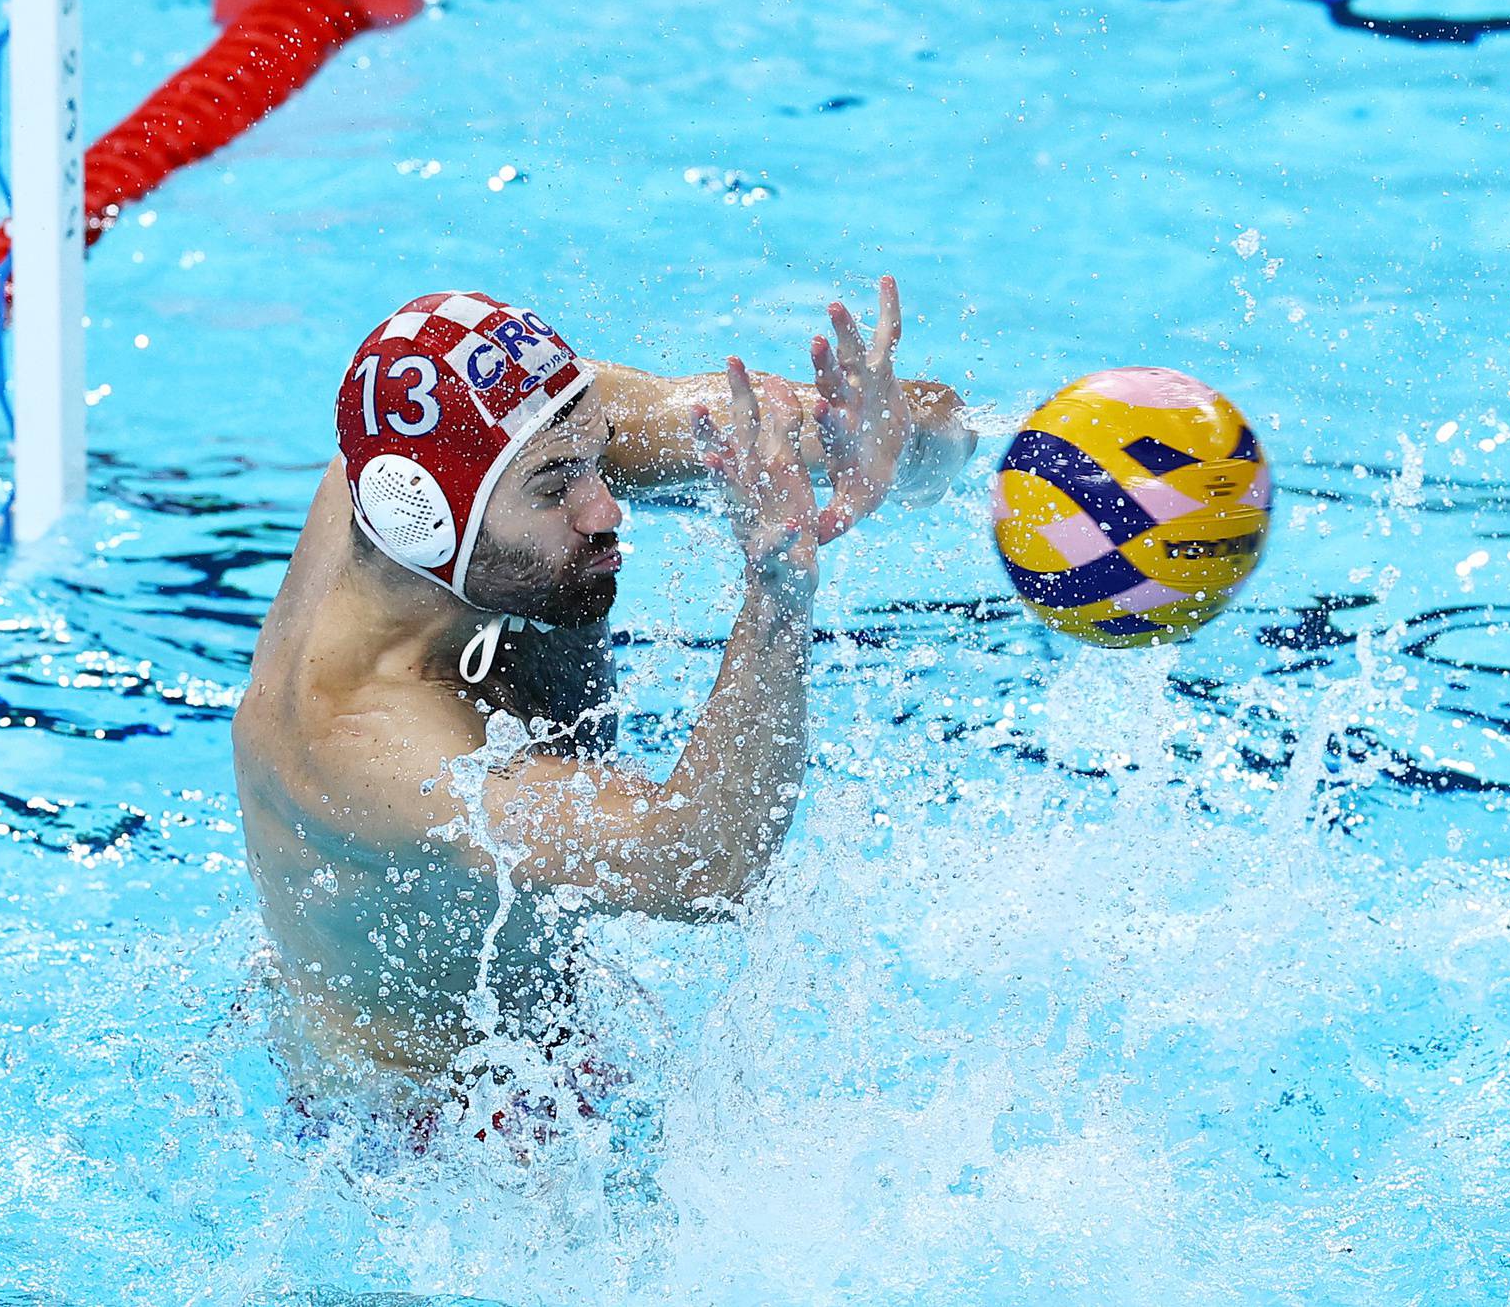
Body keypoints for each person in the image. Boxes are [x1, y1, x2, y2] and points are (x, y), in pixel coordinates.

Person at [233, 277, 973, 1113]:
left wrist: (893, 443)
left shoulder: (498, 431)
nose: (606, 503)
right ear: (427, 521)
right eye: (558, 489)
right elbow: (703, 865)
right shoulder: (373, 747)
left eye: (597, 454)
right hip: (442, 1139)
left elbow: (892, 429)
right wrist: (777, 590)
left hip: (549, 1036)